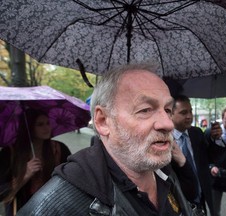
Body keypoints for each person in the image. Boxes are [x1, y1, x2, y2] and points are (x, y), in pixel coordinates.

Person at [17, 63, 197, 216]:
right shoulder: (56, 206)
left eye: (167, 110)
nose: (168, 124)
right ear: (103, 121)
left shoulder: (164, 172)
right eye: (145, 110)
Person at [0, 109, 71, 216]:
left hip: (53, 208)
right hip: (22, 209)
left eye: (48, 123)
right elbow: (2, 192)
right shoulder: (10, 153)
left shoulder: (59, 149)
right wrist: (25, 175)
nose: (47, 128)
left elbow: (70, 178)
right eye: (40, 124)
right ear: (28, 127)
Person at [171, 95, 214, 216]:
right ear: (170, 114)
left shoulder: (197, 133)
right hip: (179, 203)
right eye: (184, 112)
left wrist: (215, 140)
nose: (189, 116)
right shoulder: (165, 140)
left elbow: (209, 159)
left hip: (201, 198)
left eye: (190, 111)